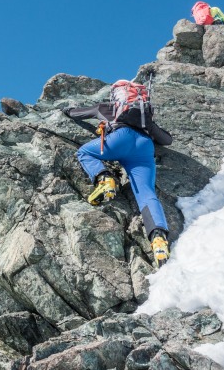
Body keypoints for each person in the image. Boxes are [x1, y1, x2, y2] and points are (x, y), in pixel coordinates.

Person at [63, 79, 173, 266]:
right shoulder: (145, 118)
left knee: (85, 152)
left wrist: (66, 111)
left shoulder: (109, 107)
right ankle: (158, 238)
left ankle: (104, 179)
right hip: (144, 147)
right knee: (146, 193)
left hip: (120, 138)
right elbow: (166, 140)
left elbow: (79, 113)